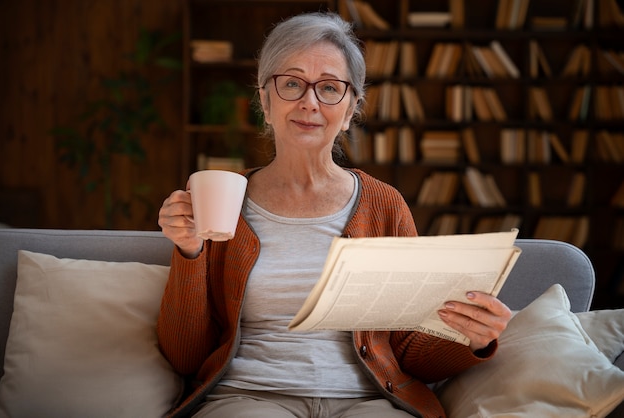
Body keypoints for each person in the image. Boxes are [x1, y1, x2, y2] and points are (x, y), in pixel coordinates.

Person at [157, 11, 512, 418]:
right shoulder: (220, 201)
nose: (309, 102)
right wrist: (188, 252)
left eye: (329, 88)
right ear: (265, 101)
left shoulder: (385, 204)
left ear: (349, 110)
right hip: (249, 397)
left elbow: (409, 355)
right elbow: (186, 358)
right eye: (291, 84)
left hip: (367, 401)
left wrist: (473, 340)